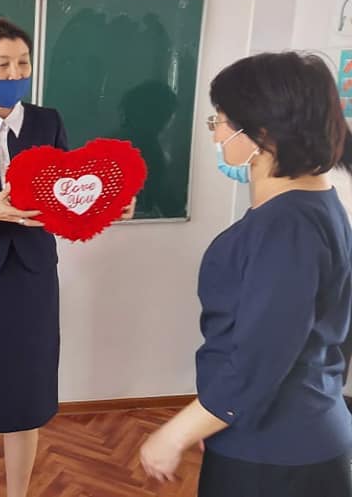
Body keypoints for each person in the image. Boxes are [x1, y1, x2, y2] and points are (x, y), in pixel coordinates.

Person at [0, 18, 134, 497]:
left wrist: (108, 202)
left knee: (26, 391)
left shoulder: (45, 122)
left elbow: (65, 197)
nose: (15, 74)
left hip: (30, 277)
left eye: (23, 63)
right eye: (3, 65)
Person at [139, 52, 352, 497]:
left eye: (220, 120)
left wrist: (176, 433)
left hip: (278, 452)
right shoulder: (315, 204)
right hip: (281, 429)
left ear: (263, 133)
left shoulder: (287, 226)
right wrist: (216, 415)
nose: (216, 133)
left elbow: (262, 355)